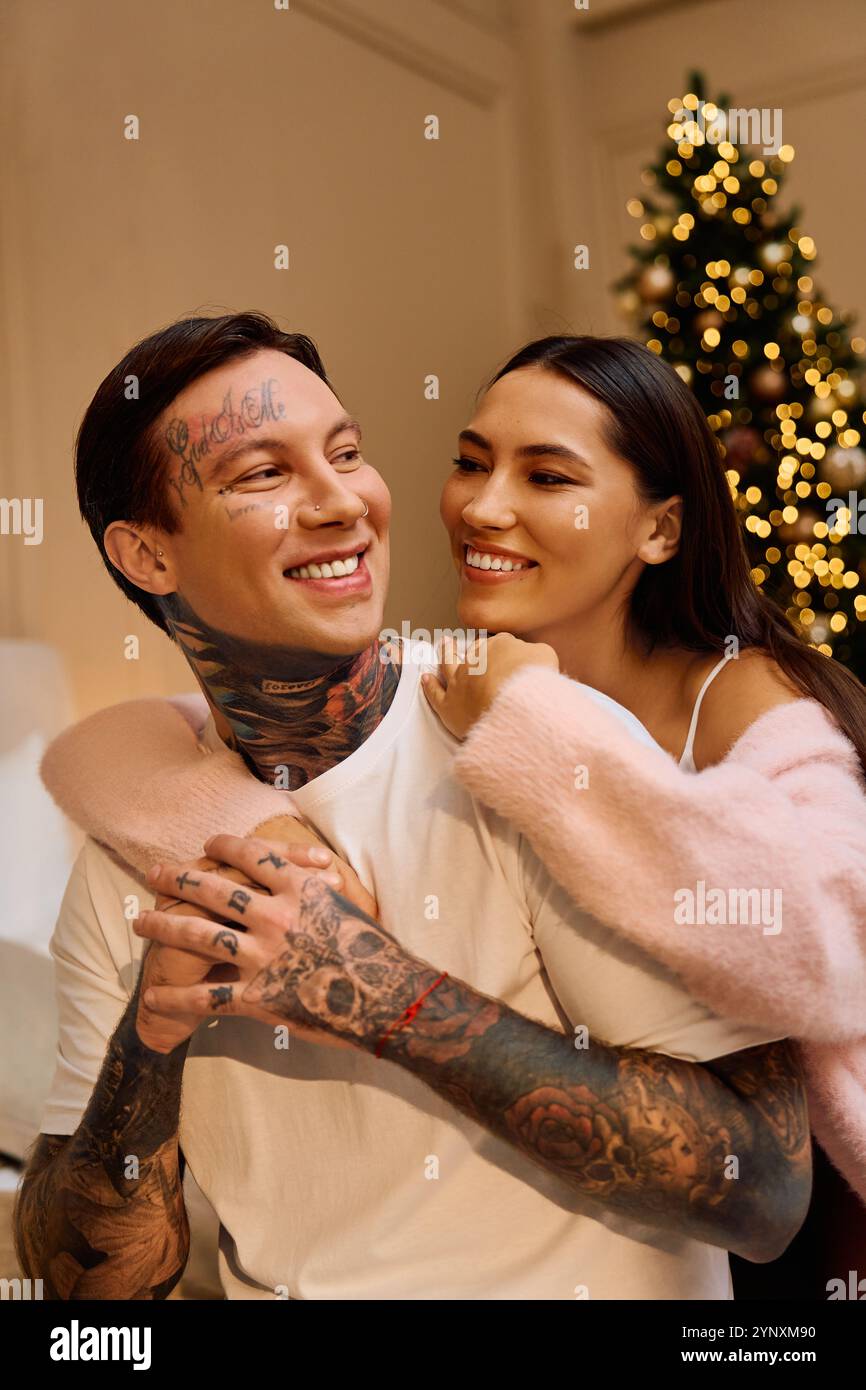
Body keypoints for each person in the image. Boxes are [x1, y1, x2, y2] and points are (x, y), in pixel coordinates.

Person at [18, 312, 809, 1302]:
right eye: (265, 473)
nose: (340, 500)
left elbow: (763, 1189)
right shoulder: (132, 854)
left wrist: (382, 994)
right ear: (148, 556)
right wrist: (148, 1036)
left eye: (345, 453)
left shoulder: (534, 742)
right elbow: (85, 1289)